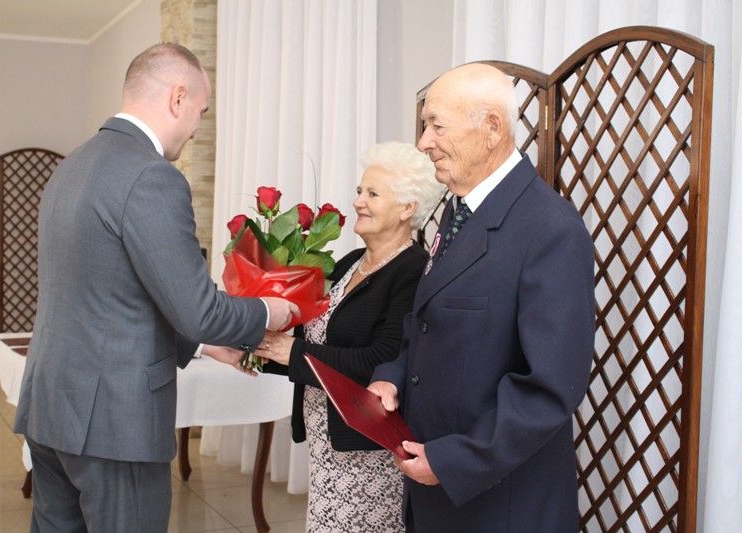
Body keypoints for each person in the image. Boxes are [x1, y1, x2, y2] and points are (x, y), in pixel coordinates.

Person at [13, 43, 297, 533]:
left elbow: (110, 293)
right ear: (178, 97)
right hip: (112, 422)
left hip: (50, 404)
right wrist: (271, 311)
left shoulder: (72, 164)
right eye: (201, 112)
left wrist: (204, 346)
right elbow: (199, 310)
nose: (197, 127)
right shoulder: (151, 175)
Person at [368, 64, 595, 532]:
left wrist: (454, 460)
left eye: (437, 126)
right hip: (436, 497)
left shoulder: (551, 230)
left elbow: (551, 386)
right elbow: (427, 323)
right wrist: (391, 378)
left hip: (499, 505)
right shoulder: (457, 212)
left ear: (491, 128)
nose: (424, 142)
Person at [254, 141, 445, 532]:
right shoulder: (347, 264)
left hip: (366, 452)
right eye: (360, 190)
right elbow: (315, 345)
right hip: (326, 444)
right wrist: (261, 351)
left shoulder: (414, 271)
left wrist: (291, 352)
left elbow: (381, 361)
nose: (358, 201)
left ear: (407, 208)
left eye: (373, 194)